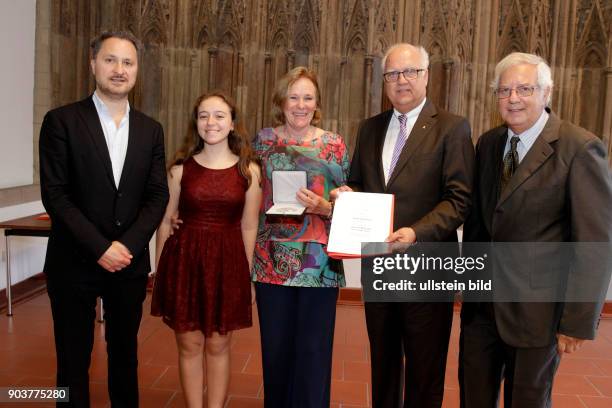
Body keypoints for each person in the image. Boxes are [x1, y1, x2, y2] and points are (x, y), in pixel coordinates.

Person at [460, 52, 612, 408]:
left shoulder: (579, 148)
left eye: (525, 89)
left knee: (526, 400)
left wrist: (577, 320)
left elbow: (594, 241)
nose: (513, 98)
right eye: (504, 90)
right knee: (472, 396)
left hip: (537, 314)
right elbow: (481, 224)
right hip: (482, 309)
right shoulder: (489, 143)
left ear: (547, 93)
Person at [333, 43, 475, 408]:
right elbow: (361, 183)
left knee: (425, 368)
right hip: (378, 264)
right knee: (382, 363)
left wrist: (416, 232)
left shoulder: (451, 128)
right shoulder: (370, 128)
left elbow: (459, 200)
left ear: (426, 75)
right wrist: (349, 195)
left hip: (426, 266)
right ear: (384, 81)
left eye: (410, 71)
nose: (401, 81)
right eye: (393, 74)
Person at [39, 31, 169, 407]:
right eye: (110, 60)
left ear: (137, 71)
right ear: (93, 64)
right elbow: (56, 195)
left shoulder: (150, 129)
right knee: (72, 361)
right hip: (74, 261)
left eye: (128, 62)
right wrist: (100, 248)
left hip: (127, 264)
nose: (119, 69)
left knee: (126, 357)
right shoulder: (61, 121)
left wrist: (126, 246)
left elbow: (157, 195)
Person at [151, 91, 261, 408]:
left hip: (227, 264)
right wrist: (160, 272)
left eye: (218, 115)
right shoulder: (179, 170)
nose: (210, 122)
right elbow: (165, 222)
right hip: (185, 262)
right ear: (195, 122)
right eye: (203, 115)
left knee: (218, 345)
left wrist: (248, 276)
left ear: (232, 123)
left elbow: (249, 226)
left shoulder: (249, 171)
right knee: (189, 343)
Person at [252, 66, 349, 407]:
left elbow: (348, 203)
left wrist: (327, 205)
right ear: (281, 101)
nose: (300, 104)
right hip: (270, 262)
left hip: (319, 265)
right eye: (293, 97)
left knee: (314, 352)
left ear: (317, 102)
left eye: (307, 97)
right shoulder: (263, 141)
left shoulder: (334, 145)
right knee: (276, 350)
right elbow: (246, 193)